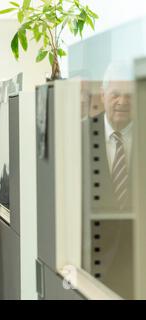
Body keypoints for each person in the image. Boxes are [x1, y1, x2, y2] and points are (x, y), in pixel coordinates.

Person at [83, 61, 134, 299]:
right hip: (93, 268)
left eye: (129, 96)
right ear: (102, 95)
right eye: (115, 95)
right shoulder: (79, 136)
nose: (122, 102)